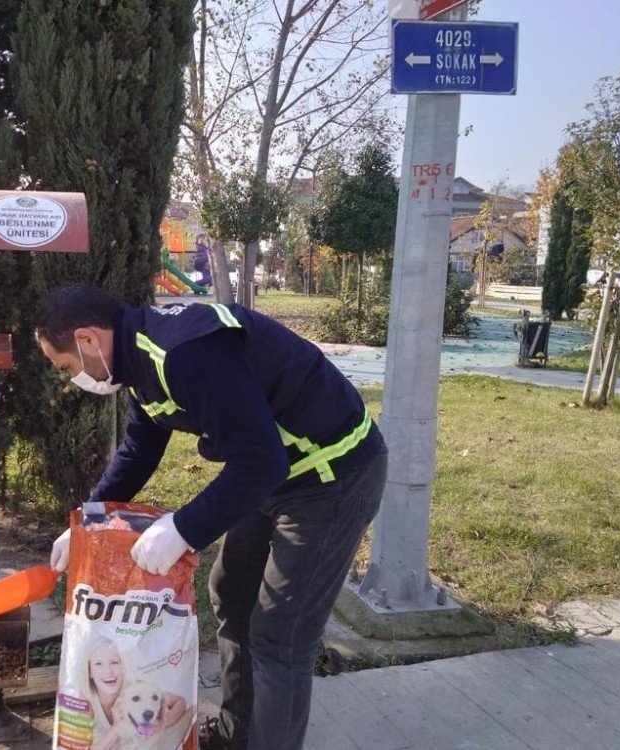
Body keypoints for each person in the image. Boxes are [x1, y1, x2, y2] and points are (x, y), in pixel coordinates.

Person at [39, 284, 388, 750]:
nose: (71, 378)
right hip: (275, 473)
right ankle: (234, 737)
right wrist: (88, 518)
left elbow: (261, 461)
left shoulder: (181, 352)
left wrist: (184, 528)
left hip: (334, 475)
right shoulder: (137, 364)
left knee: (279, 635)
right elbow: (140, 448)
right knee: (232, 592)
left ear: (87, 340)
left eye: (65, 367)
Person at [84, 638, 188, 750]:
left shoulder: (135, 687)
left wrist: (162, 723)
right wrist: (117, 727)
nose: (108, 671)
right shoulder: (84, 702)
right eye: (98, 664)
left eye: (114, 662)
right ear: (90, 671)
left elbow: (180, 701)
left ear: (121, 666)